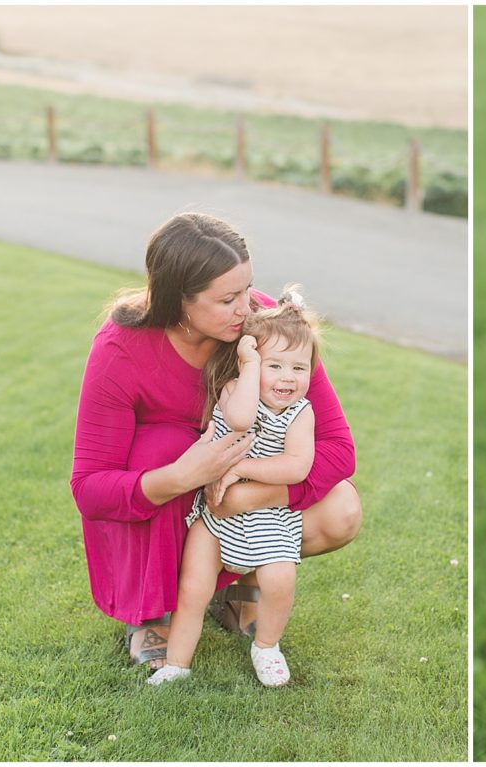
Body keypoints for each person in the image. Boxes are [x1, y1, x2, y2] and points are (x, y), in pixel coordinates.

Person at [70, 212, 361, 670]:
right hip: (171, 496)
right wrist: (181, 475)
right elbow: (89, 487)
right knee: (162, 447)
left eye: (248, 288)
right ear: (178, 300)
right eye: (228, 299)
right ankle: (152, 612)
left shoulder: (269, 329)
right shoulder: (120, 350)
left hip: (239, 492)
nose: (248, 308)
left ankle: (242, 579)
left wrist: (245, 492)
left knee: (343, 508)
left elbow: (339, 449)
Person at [149, 289, 320, 686]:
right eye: (274, 365)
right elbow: (241, 420)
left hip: (269, 517)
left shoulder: (300, 413)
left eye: (299, 368)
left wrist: (239, 466)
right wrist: (248, 365)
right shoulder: (234, 390)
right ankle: (177, 663)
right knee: (193, 588)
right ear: (251, 363)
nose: (287, 378)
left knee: (280, 579)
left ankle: (266, 645)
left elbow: (297, 466)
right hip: (215, 519)